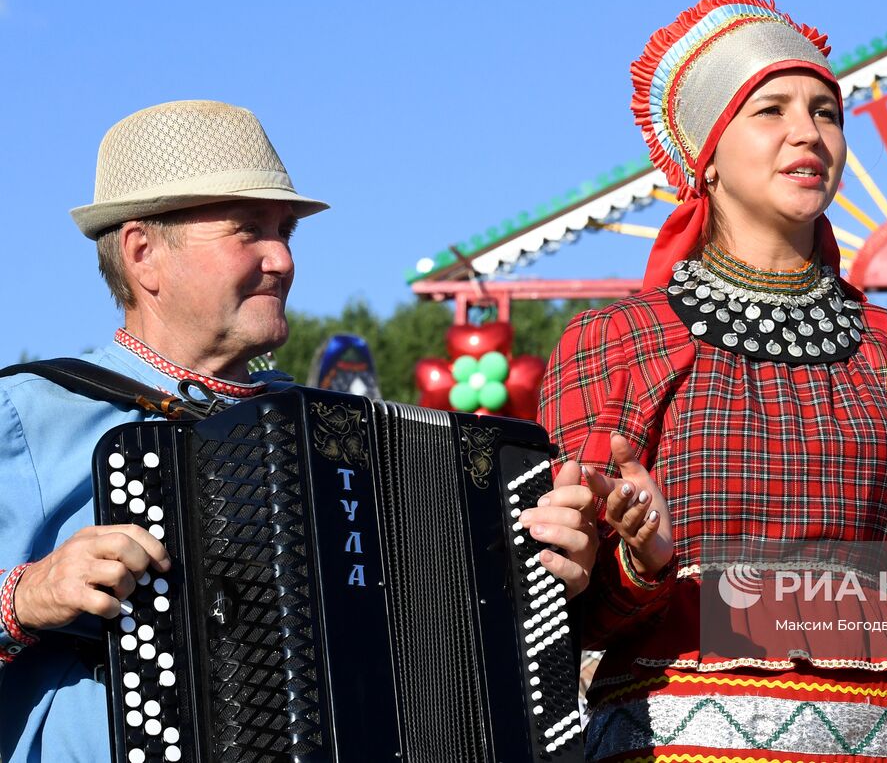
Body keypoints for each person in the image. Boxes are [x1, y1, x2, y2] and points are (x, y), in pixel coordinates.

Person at [0, 100, 598, 761]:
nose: (282, 259)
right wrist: (25, 596)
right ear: (144, 254)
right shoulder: (29, 416)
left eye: (285, 231)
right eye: (248, 231)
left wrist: (541, 579)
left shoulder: (344, 438)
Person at [540, 0, 887, 763]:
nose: (808, 132)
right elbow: (559, 610)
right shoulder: (617, 340)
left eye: (827, 112)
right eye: (769, 110)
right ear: (704, 158)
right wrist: (644, 563)